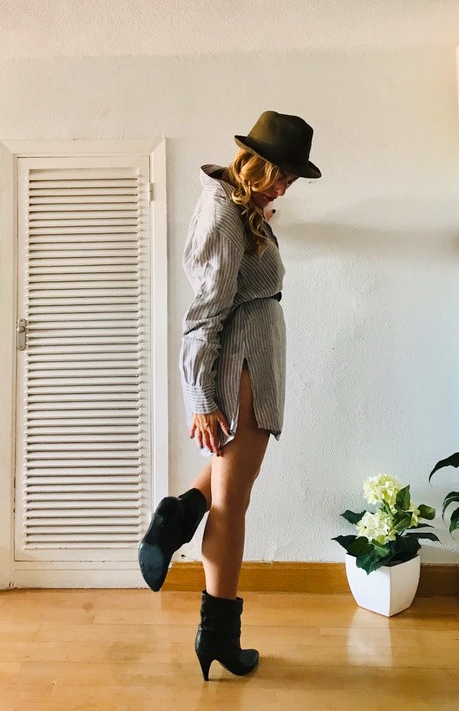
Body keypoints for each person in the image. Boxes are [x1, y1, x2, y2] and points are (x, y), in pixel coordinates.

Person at [138, 110, 321, 680]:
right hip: (241, 362)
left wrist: (259, 216)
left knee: (226, 483)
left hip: (253, 358)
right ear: (255, 163)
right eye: (280, 174)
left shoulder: (242, 207)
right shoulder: (222, 213)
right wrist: (200, 395)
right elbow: (204, 312)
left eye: (291, 178)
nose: (285, 186)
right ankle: (217, 635)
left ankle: (174, 520)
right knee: (232, 503)